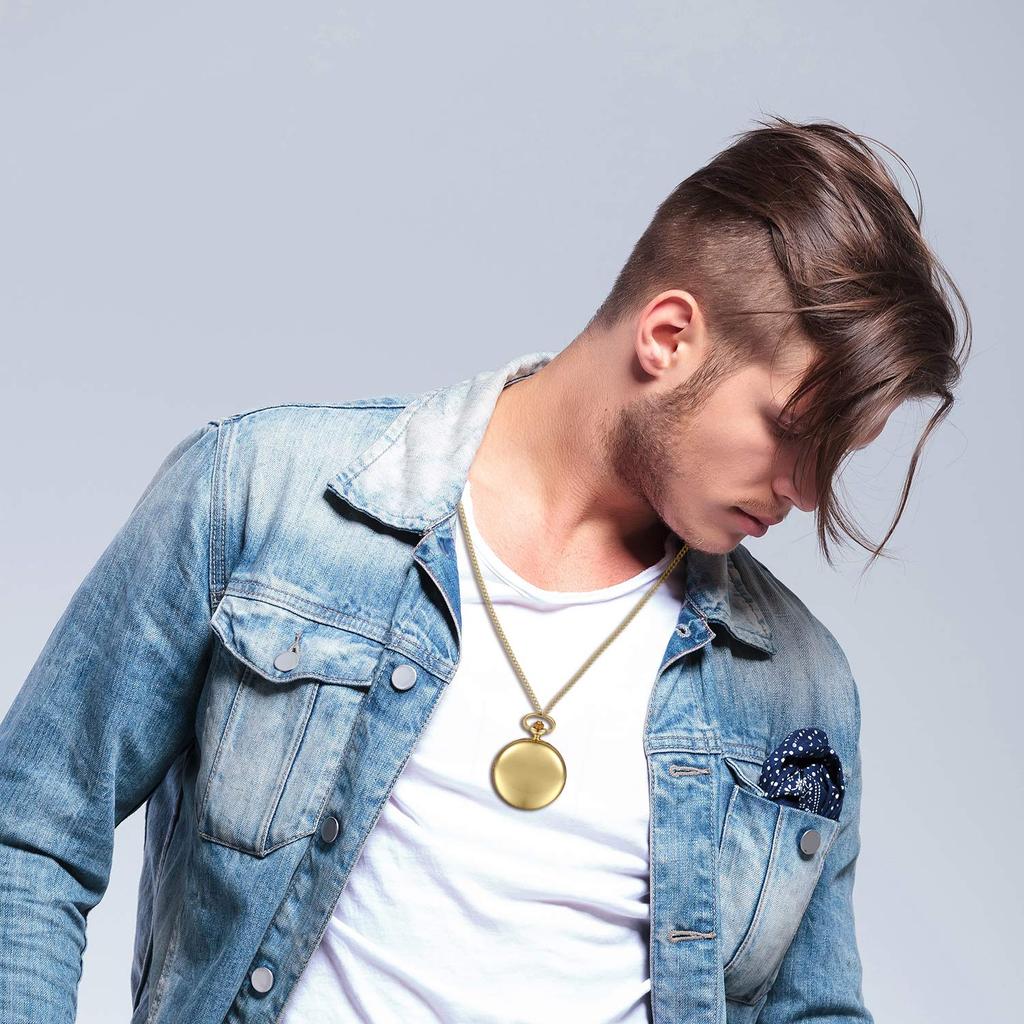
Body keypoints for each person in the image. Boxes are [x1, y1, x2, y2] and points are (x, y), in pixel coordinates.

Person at [0, 116, 969, 1024]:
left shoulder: (797, 684)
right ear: (669, 338)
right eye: (796, 433)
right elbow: (30, 836)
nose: (807, 491)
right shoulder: (263, 494)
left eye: (838, 457)